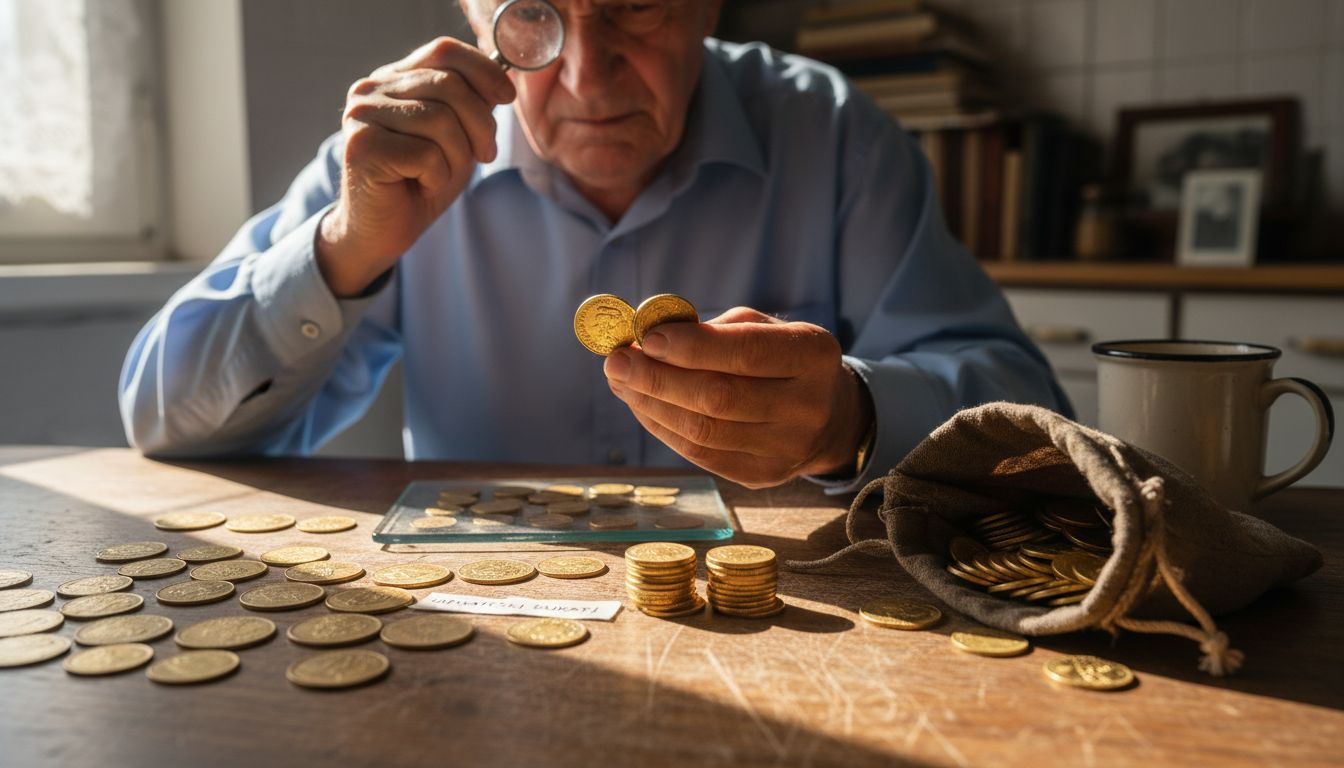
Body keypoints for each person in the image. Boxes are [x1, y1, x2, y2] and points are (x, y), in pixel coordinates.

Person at [119, 0, 1069, 492]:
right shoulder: (390, 165)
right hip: (487, 628)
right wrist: (341, 249)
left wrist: (850, 420)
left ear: (708, 6)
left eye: (636, 4)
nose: (584, 71)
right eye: (533, 15)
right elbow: (162, 423)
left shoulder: (835, 136)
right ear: (471, 12)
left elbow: (1039, 423)